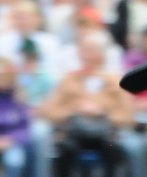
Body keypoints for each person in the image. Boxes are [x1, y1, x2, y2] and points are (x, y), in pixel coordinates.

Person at [35, 32, 137, 177]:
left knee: (115, 149)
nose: (89, 55)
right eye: (84, 50)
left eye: (93, 50)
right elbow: (49, 110)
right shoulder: (68, 80)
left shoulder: (116, 82)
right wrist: (75, 111)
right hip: (74, 135)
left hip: (107, 136)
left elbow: (128, 116)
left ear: (103, 53)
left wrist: (102, 112)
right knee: (64, 150)